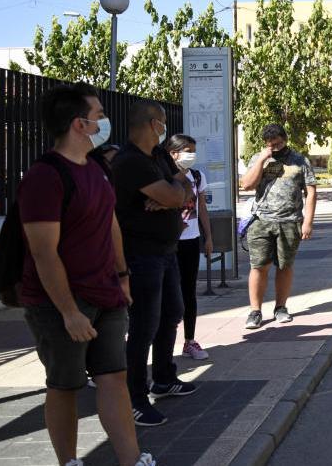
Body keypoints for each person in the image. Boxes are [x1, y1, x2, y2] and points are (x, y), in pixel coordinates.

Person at [17, 83, 153, 466]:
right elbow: (44, 252)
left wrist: (122, 276)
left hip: (106, 294)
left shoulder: (95, 168)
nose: (104, 121)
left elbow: (109, 223)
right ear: (80, 124)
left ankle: (133, 459)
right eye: (99, 115)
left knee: (114, 377)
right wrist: (69, 312)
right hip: (61, 302)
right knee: (65, 385)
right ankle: (69, 462)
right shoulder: (45, 176)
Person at [112, 101, 197, 427]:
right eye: (162, 123)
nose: (165, 128)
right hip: (141, 254)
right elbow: (179, 195)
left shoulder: (158, 155)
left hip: (165, 250)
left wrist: (168, 197)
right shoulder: (131, 161)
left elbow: (185, 189)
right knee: (144, 326)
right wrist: (173, 196)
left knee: (171, 313)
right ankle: (135, 397)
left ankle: (163, 377)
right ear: (151, 123)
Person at [239, 124, 318, 330]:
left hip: (290, 221)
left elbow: (310, 192)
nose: (276, 147)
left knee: (284, 265)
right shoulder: (259, 159)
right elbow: (246, 185)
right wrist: (263, 160)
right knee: (259, 266)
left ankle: (281, 307)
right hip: (261, 221)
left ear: (285, 139)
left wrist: (308, 222)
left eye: (279, 143)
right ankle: (255, 311)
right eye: (271, 145)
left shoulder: (300, 161)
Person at [165, 134, 214, 361]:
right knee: (167, 294)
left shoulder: (197, 175)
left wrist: (208, 237)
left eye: (193, 150)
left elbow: (201, 207)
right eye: (187, 150)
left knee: (189, 292)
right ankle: (164, 342)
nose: (191, 155)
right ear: (173, 152)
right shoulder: (163, 174)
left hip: (191, 240)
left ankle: (189, 340)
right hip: (168, 242)